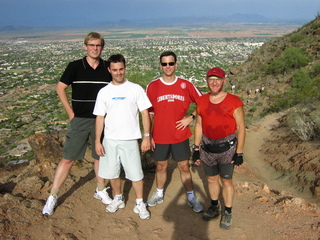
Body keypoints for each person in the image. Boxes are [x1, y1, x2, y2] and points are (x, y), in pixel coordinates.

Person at [42, 32, 112, 215]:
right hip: (80, 119)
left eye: (98, 45)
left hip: (101, 120)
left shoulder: (107, 67)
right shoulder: (75, 66)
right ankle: (53, 196)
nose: (95, 48)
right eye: (92, 45)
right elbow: (60, 88)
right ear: (85, 46)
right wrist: (71, 113)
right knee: (68, 158)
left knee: (100, 157)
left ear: (102, 47)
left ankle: (100, 189)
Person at [93, 54, 152, 220]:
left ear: (125, 68)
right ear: (109, 70)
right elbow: (99, 117)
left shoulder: (135, 89)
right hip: (110, 139)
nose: (118, 73)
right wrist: (98, 140)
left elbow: (144, 112)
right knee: (112, 172)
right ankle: (118, 197)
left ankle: (140, 202)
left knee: (136, 174)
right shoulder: (104, 92)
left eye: (121, 69)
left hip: (130, 139)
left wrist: (146, 136)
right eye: (115, 70)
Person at [146, 51, 203, 213]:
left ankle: (191, 196)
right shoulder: (153, 86)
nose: (168, 67)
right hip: (160, 135)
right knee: (161, 166)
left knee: (184, 167)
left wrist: (190, 117)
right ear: (160, 66)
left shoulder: (186, 84)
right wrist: (148, 136)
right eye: (164, 64)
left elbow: (203, 103)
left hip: (180, 135)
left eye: (171, 63)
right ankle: (159, 193)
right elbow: (148, 113)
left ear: (176, 64)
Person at [193, 67, 246, 229]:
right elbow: (199, 125)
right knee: (211, 179)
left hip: (227, 147)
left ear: (223, 81)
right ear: (207, 82)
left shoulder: (234, 101)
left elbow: (241, 127)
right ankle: (214, 206)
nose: (214, 83)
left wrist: (239, 153)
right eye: (211, 80)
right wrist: (195, 149)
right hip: (207, 146)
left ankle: (228, 211)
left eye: (218, 79)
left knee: (227, 180)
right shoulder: (201, 101)